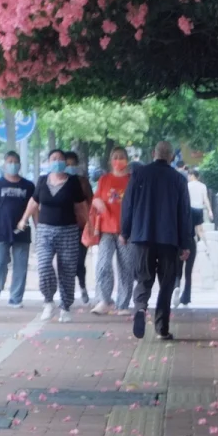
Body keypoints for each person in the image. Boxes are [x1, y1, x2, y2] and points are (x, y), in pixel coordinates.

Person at [120, 140, 192, 341]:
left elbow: (128, 205)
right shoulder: (178, 179)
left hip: (142, 236)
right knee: (166, 283)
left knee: (144, 278)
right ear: (171, 157)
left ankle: (141, 309)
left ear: (153, 153)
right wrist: (185, 243)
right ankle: (162, 328)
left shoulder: (139, 174)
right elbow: (184, 213)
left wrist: (124, 232)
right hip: (169, 239)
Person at [16, 147, 85, 323]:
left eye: (60, 158)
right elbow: (33, 202)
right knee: (45, 265)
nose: (57, 161)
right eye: (53, 158)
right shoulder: (42, 181)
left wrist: (89, 226)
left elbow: (81, 206)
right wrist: (24, 219)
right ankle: (48, 301)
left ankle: (65, 306)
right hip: (45, 230)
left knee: (67, 270)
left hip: (68, 231)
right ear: (48, 162)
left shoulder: (73, 182)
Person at [0, 151, 34, 307]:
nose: (13, 164)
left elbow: (34, 208)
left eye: (15, 161)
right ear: (5, 164)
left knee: (21, 266)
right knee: (0, 263)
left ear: (19, 164)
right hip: (1, 230)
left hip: (22, 231)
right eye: (10, 161)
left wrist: (40, 229)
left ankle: (16, 298)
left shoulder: (28, 186)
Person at [90, 146, 135, 314]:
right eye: (115, 157)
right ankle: (104, 299)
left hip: (126, 230)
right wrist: (98, 203)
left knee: (126, 267)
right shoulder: (104, 179)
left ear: (127, 160)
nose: (118, 160)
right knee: (102, 265)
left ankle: (123, 304)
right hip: (106, 229)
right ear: (110, 160)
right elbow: (95, 199)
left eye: (121, 157)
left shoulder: (132, 180)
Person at [175, 167, 214, 303]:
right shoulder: (202, 186)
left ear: (191, 175)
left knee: (178, 267)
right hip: (195, 221)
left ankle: (176, 286)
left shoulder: (186, 187)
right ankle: (186, 296)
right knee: (189, 271)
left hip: (180, 238)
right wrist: (210, 211)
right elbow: (205, 200)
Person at [65, 150, 93, 306]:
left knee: (79, 261)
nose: (69, 167)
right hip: (63, 227)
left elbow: (90, 203)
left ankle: (82, 287)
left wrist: (90, 224)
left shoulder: (83, 182)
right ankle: (66, 292)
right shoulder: (58, 181)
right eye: (66, 164)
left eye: (72, 164)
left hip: (81, 227)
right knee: (65, 262)